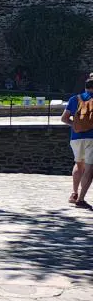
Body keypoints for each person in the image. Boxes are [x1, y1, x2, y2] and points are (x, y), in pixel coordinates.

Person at [61, 75, 93, 208]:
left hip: (76, 137)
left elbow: (64, 118)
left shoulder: (75, 99)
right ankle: (81, 199)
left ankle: (74, 193)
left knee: (78, 164)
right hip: (91, 137)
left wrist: (74, 125)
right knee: (89, 168)